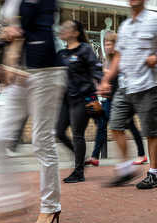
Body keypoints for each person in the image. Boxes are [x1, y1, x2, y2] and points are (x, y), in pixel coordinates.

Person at [0, 0, 67, 223]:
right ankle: (9, 203)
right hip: (20, 71)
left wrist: (18, 31)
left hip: (44, 72)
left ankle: (50, 206)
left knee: (42, 141)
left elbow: (44, 29)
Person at [98, 0, 157, 189]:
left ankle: (154, 175)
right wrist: (106, 81)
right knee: (115, 125)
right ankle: (125, 170)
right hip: (126, 85)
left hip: (149, 85)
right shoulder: (124, 25)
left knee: (150, 132)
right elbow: (119, 56)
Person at [86, 33, 147, 167]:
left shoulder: (120, 59)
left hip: (123, 100)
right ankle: (95, 156)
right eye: (106, 44)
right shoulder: (107, 60)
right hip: (110, 100)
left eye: (110, 44)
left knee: (131, 126)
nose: (107, 47)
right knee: (102, 125)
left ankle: (141, 154)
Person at [56, 20, 99, 183]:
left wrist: (103, 85)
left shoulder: (85, 49)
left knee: (77, 134)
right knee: (59, 131)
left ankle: (79, 172)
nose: (62, 29)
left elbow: (96, 69)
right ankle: (80, 158)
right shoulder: (62, 53)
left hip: (82, 99)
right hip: (66, 99)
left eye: (66, 28)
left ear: (75, 33)